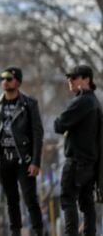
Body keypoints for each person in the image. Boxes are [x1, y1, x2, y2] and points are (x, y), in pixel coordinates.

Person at [0, 67, 44, 236]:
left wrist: (35, 161)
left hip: (24, 160)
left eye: (9, 78)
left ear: (17, 82)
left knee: (30, 199)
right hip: (3, 160)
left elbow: (37, 133)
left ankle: (38, 231)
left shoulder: (29, 104)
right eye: (2, 78)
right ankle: (15, 233)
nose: (5, 81)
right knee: (11, 200)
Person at [54, 65, 102, 236]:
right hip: (90, 164)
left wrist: (65, 125)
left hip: (76, 163)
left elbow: (59, 125)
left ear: (86, 79)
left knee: (68, 200)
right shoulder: (95, 101)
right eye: (69, 78)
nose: (70, 81)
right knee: (87, 203)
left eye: (74, 78)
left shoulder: (82, 101)